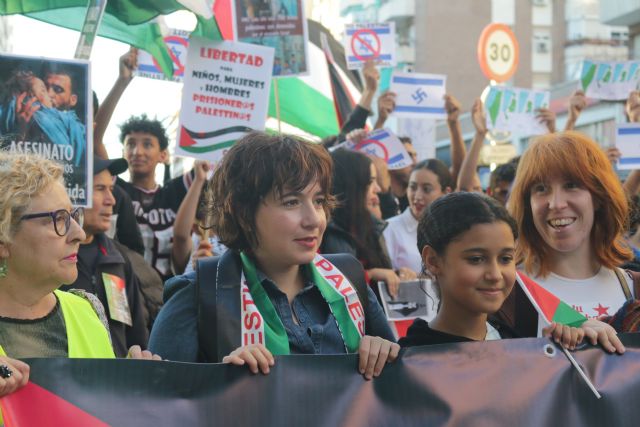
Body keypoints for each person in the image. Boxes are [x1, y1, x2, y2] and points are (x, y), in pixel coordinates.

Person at [150, 133, 399, 380]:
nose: (314, 219)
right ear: (243, 213)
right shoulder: (197, 295)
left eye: (319, 200)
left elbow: (397, 390)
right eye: (291, 202)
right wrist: (220, 383)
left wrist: (384, 354)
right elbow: (161, 402)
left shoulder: (348, 281)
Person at [399, 192, 604, 348]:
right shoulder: (409, 359)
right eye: (476, 259)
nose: (495, 275)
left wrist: (572, 346)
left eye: (506, 259)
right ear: (433, 260)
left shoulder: (523, 342)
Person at [502, 131, 632, 349]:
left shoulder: (634, 287)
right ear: (527, 204)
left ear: (599, 197)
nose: (556, 203)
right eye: (541, 189)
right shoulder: (506, 294)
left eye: (571, 185)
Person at [59, 157, 149, 357]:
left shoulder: (118, 259)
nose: (112, 200)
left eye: (111, 188)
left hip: (117, 383)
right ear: (75, 194)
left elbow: (137, 339)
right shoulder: (55, 259)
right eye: (100, 188)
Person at [321, 149, 415, 299]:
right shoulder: (334, 234)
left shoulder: (367, 228)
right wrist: (370, 275)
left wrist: (396, 275)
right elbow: (339, 292)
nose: (377, 189)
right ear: (352, 186)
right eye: (370, 182)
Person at [383, 159, 453, 276]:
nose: (418, 196)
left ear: (446, 193)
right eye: (413, 187)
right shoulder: (389, 229)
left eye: (427, 189)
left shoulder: (453, 230)